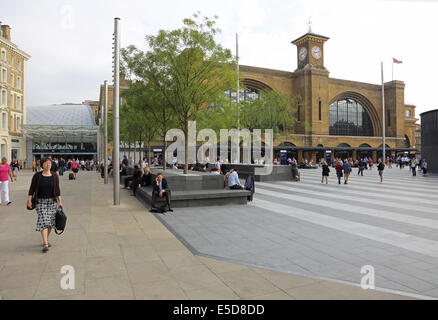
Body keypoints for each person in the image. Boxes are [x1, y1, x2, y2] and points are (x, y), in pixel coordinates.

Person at [27, 157, 62, 253]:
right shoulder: (37, 176)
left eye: (49, 163)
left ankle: (46, 239)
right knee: (43, 220)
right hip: (40, 202)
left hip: (52, 202)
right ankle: (45, 243)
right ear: (42, 165)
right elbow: (32, 189)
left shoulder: (55, 176)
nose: (48, 165)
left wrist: (60, 201)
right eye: (46, 163)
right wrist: (29, 200)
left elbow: (57, 190)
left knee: (50, 223)